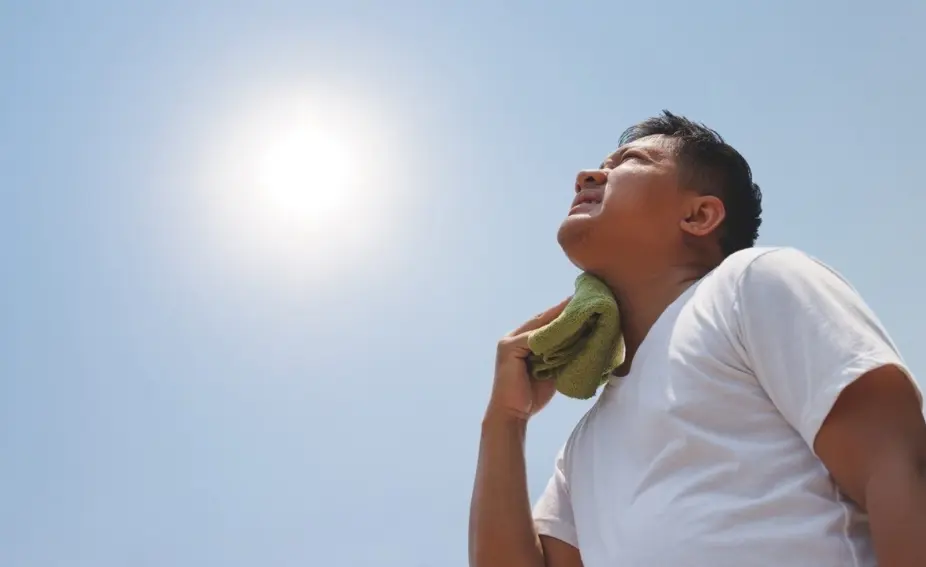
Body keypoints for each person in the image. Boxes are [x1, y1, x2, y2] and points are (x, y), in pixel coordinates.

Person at [468, 111, 926, 567]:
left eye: (628, 161)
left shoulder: (751, 284)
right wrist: (505, 420)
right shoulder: (584, 447)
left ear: (698, 215)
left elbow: (897, 464)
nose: (588, 175)